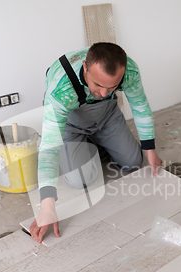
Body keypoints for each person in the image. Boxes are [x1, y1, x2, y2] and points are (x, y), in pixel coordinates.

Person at [29, 42, 162, 243]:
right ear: (85, 67)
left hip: (106, 116)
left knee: (134, 162)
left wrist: (150, 149)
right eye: (98, 85)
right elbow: (49, 146)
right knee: (80, 179)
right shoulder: (61, 89)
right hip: (71, 124)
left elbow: (140, 105)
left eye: (112, 87)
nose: (104, 93)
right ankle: (81, 145)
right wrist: (47, 208)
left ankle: (95, 143)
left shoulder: (129, 71)